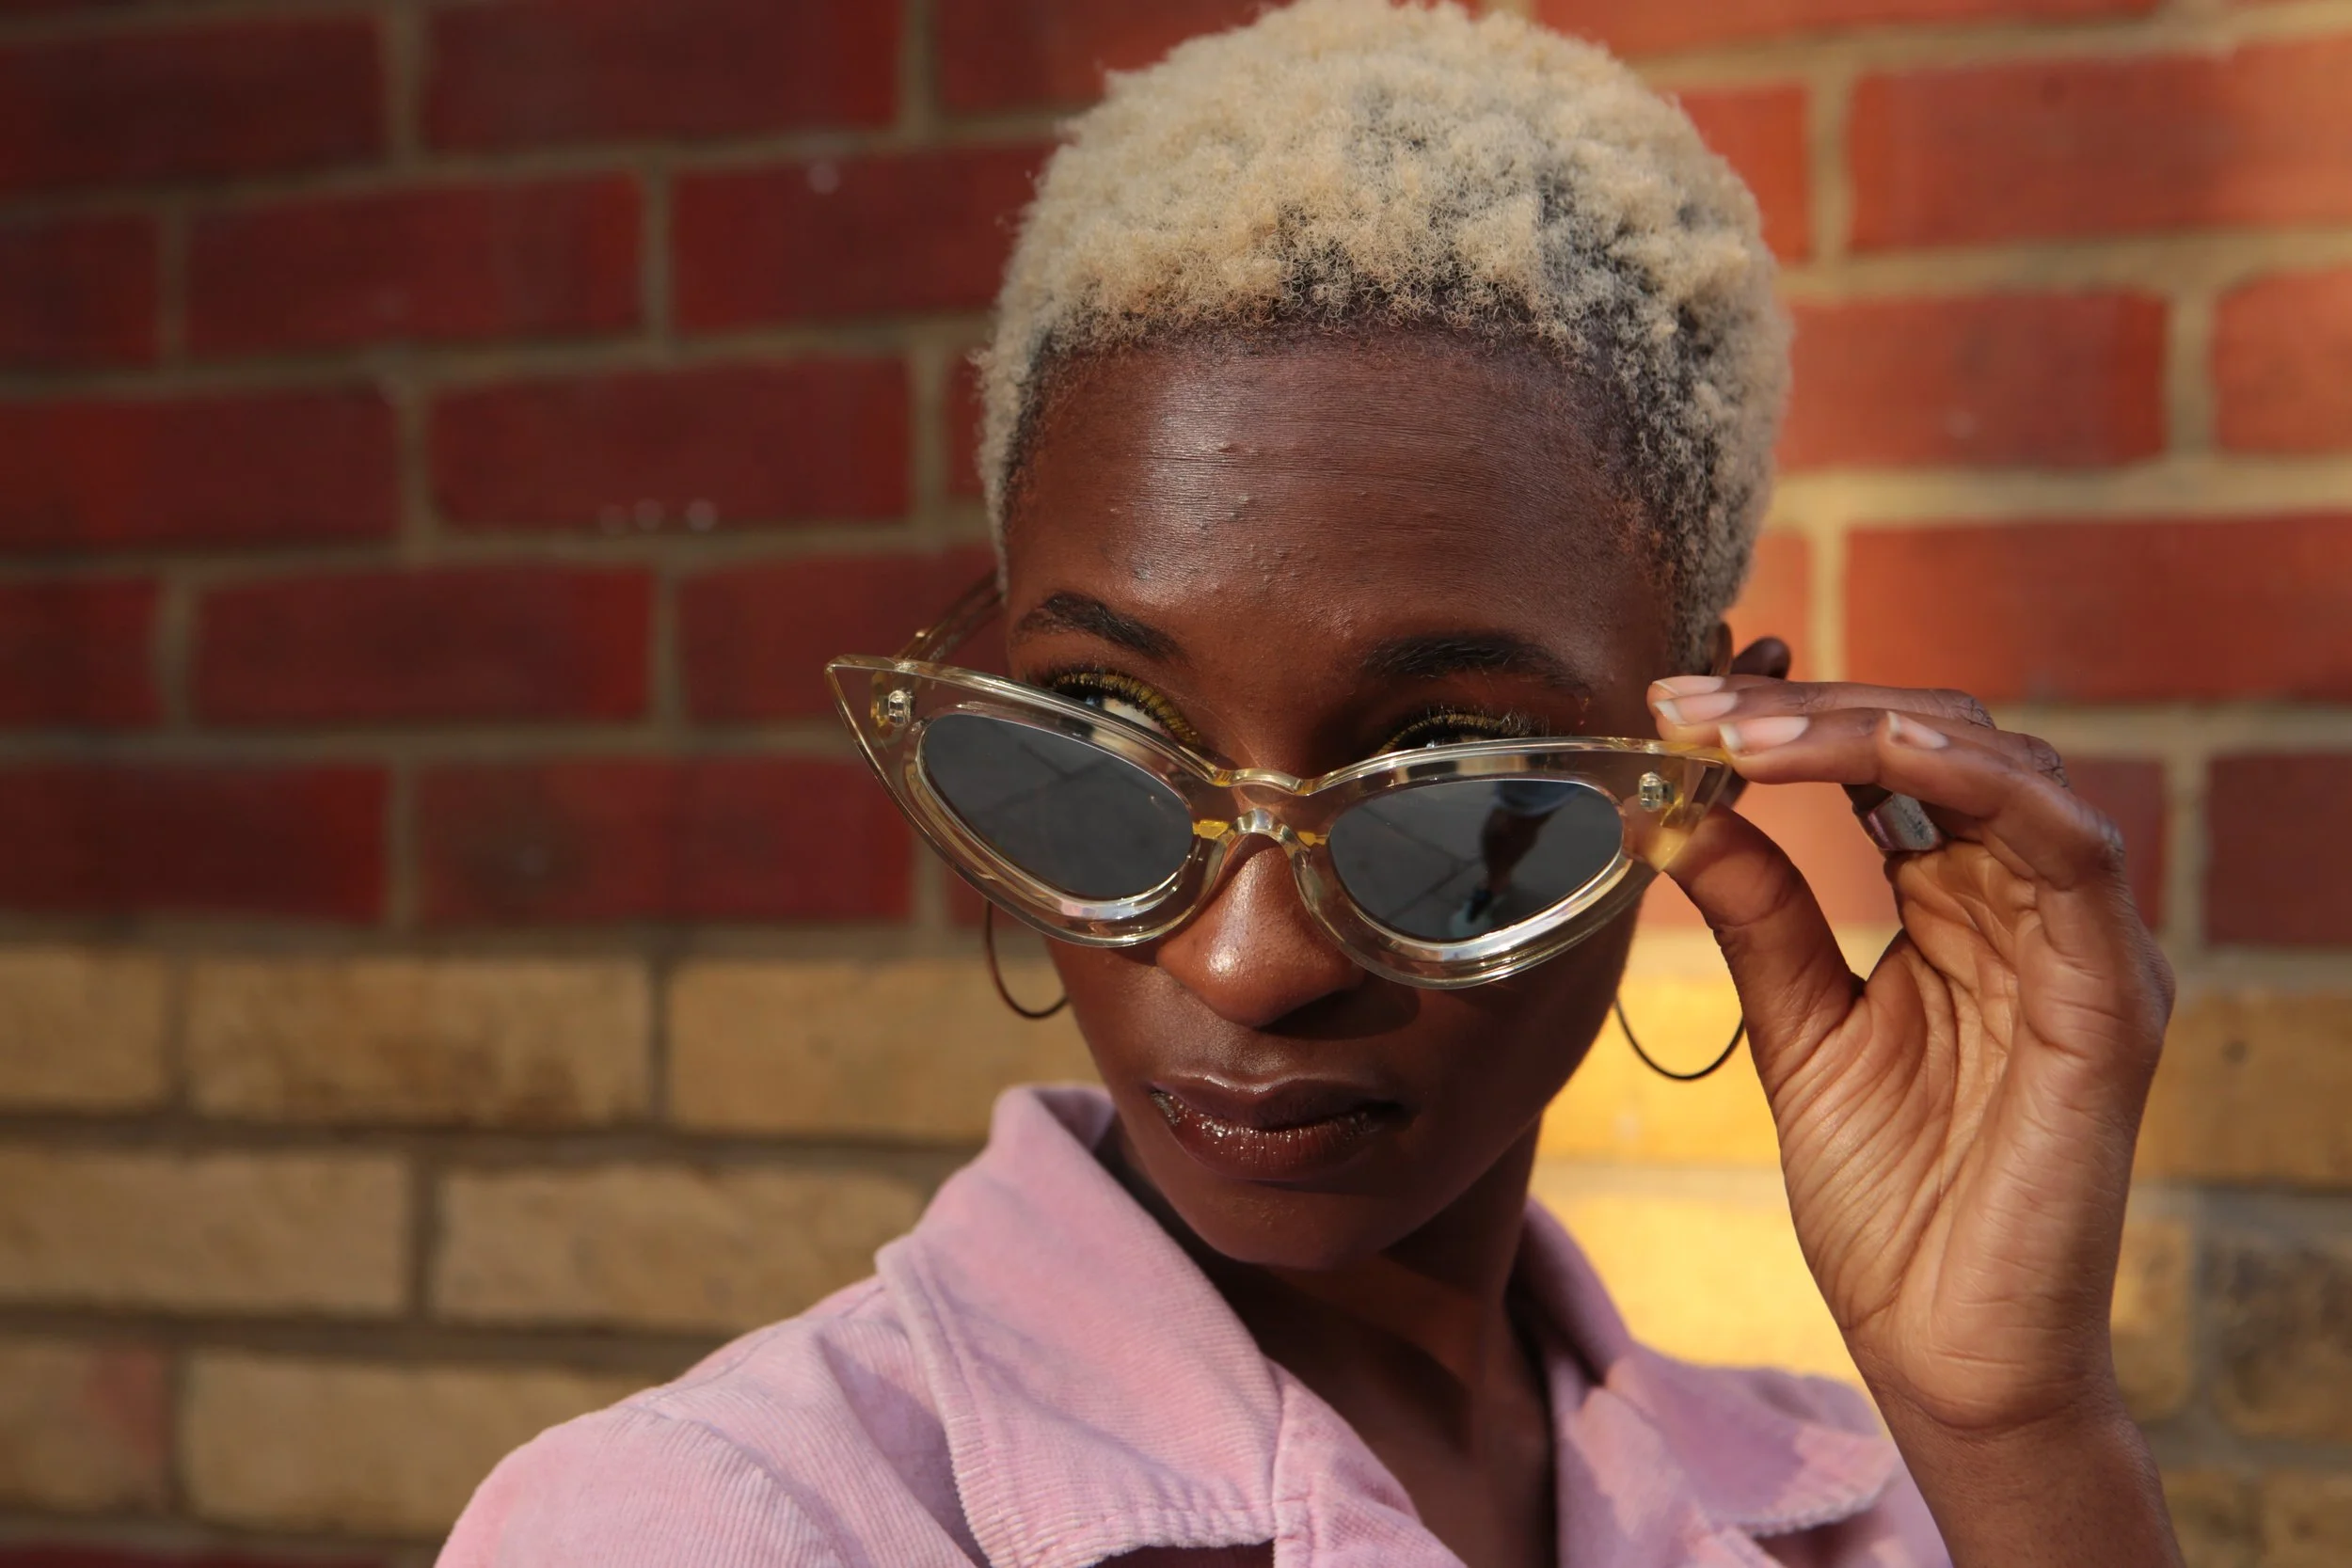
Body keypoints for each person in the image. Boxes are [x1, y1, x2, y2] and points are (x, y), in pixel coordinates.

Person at [438, 3, 2183, 1563]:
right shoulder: (716, 1521)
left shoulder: (1878, 1504)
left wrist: (2021, 1428)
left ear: (1696, 761)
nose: (1248, 961)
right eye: (1108, 737)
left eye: (1444, 775)